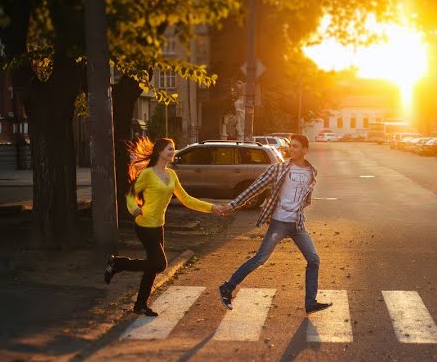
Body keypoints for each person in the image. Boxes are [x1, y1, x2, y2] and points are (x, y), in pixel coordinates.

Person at [103, 137, 225, 316]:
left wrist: (212, 208)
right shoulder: (147, 174)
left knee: (153, 266)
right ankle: (118, 263)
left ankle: (140, 304)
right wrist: (134, 208)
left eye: (173, 149)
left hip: (158, 226)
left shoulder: (171, 175)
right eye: (169, 149)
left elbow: (186, 199)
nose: (173, 152)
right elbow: (130, 193)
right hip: (144, 225)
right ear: (159, 152)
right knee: (159, 264)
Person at [217, 134, 332, 314]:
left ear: (304, 149)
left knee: (313, 260)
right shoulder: (278, 169)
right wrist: (232, 205)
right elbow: (255, 187)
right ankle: (227, 287)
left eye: (295, 146)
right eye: (290, 146)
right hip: (279, 222)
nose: (291, 149)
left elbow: (306, 198)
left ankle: (310, 302)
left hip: (297, 224)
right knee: (261, 258)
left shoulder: (312, 172)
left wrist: (298, 208)